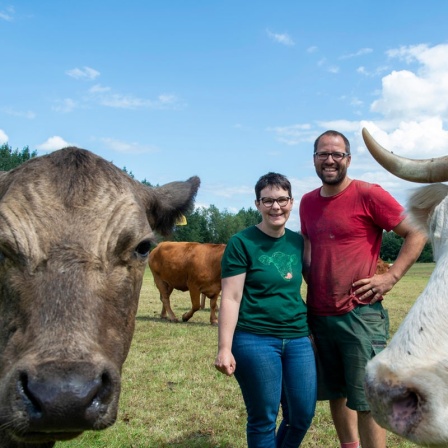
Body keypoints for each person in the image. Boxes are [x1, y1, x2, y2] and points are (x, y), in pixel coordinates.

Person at [299, 130, 427, 448]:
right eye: (323, 154)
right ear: (313, 159)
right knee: (336, 391)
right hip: (319, 313)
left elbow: (417, 232)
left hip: (360, 314)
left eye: (337, 154)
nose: (330, 160)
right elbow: (307, 249)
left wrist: (392, 276)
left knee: (367, 399)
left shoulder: (369, 194)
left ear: (348, 159)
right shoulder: (307, 202)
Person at [214, 172, 317, 448]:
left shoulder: (298, 242)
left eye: (282, 199)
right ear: (257, 204)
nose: (276, 206)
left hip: (297, 338)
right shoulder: (242, 242)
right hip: (255, 339)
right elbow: (231, 298)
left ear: (291, 202)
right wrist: (224, 347)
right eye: (268, 200)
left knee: (302, 415)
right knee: (263, 418)